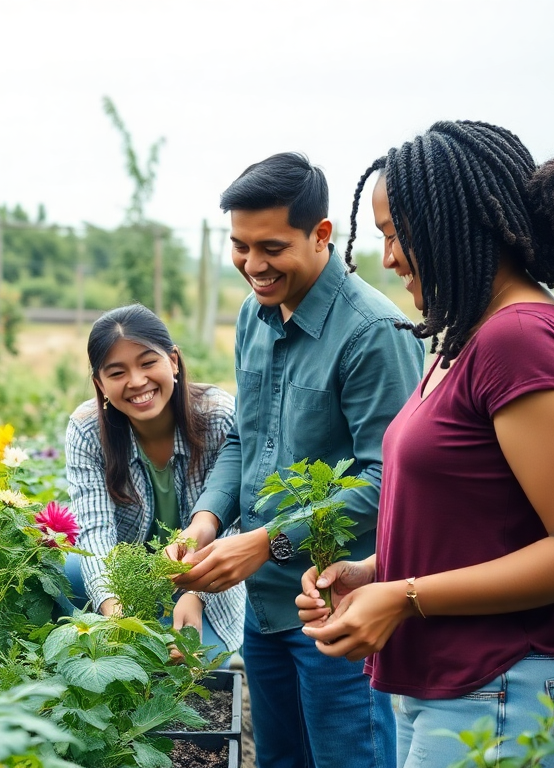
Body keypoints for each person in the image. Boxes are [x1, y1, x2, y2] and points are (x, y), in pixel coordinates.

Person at [297, 121, 554, 767]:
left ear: (456, 223)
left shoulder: (519, 339)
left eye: (396, 234)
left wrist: (405, 596)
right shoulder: (468, 339)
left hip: (505, 691)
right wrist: (375, 574)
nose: (388, 258)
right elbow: (478, 521)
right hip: (460, 692)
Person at [167, 153, 424, 768]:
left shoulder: (373, 332)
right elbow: (243, 440)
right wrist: (206, 520)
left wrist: (268, 541)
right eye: (240, 246)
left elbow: (390, 481)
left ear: (321, 234)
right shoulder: (253, 317)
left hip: (335, 603)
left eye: (272, 248)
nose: (253, 265)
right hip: (265, 608)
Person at [63, 304, 245, 663]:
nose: (136, 381)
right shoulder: (86, 430)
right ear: (100, 384)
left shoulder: (219, 416)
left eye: (148, 363)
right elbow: (95, 533)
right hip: (128, 582)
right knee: (63, 570)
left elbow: (235, 525)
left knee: (194, 666)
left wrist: (197, 595)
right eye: (117, 372)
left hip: (205, 578)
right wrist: (115, 613)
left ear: (173, 361)